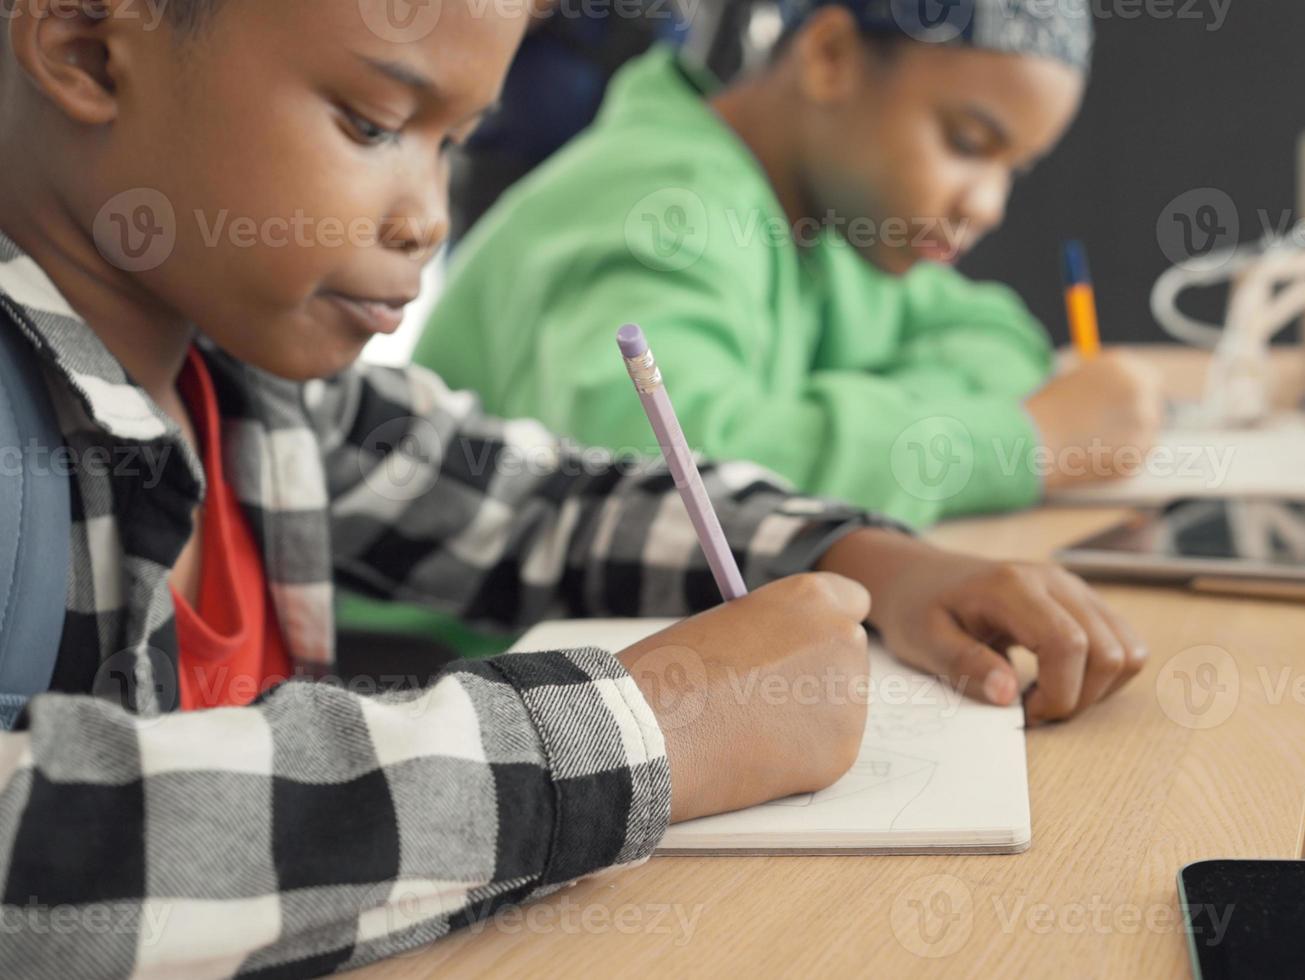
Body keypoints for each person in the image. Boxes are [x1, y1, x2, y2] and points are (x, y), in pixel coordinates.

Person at [0, 1, 1144, 974]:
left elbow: (531, 503)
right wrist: (646, 730)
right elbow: (28, 847)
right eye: (372, 122)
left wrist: (859, 554)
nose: (428, 217)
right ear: (92, 46)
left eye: (451, 141)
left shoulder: (245, 375)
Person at [413, 0, 1163, 532]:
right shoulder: (669, 208)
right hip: (454, 662)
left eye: (1015, 169)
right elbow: (663, 485)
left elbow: (998, 340)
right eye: (967, 143)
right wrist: (1017, 443)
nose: (990, 204)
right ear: (830, 56)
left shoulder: (836, 224)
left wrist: (810, 427)